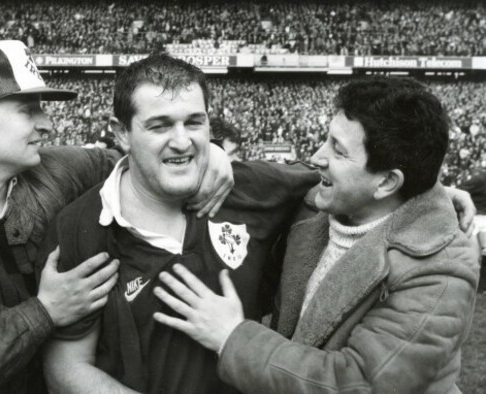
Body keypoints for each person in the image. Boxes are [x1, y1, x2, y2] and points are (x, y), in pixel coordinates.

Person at [0, 41, 233, 394]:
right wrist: (43, 311)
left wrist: (210, 154)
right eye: (28, 109)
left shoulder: (59, 171)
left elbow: (145, 160)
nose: (47, 122)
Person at [153, 77, 481, 393]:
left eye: (338, 150)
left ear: (385, 183)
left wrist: (233, 337)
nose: (316, 157)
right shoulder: (320, 203)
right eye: (326, 138)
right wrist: (214, 156)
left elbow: (360, 383)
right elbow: (281, 176)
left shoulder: (441, 270)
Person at [43, 53, 321, 394]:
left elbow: (335, 175)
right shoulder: (80, 225)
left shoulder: (249, 188)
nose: (181, 141)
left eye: (194, 122)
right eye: (160, 126)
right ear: (122, 133)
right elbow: (65, 366)